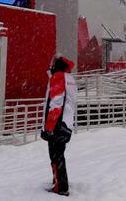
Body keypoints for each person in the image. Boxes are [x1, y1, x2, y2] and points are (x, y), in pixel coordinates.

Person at [41, 54, 77, 196]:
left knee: (55, 154)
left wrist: (49, 127)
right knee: (59, 153)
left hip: (57, 124)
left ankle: (60, 186)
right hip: (66, 123)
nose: (51, 65)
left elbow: (56, 103)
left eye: (53, 63)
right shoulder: (69, 78)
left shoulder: (58, 77)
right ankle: (59, 181)